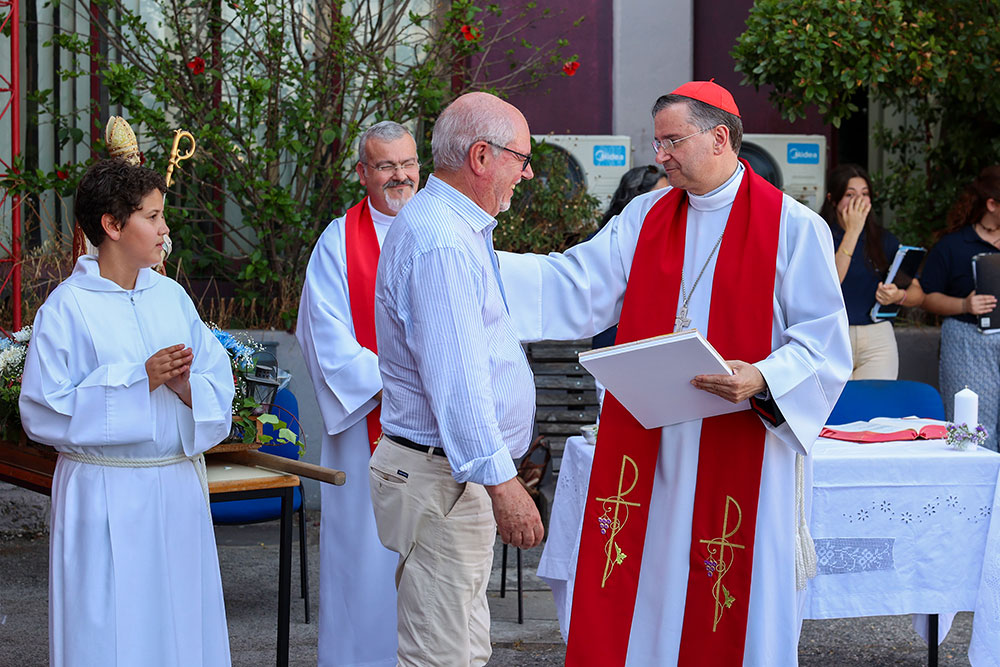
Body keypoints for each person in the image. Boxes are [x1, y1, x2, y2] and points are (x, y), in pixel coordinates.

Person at [499, 81, 851, 665]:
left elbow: (823, 344)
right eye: (657, 141)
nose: (659, 155)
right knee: (650, 579)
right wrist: (475, 259)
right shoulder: (646, 214)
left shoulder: (793, 227)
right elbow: (576, 284)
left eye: (672, 141)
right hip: (652, 442)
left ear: (720, 138)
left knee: (729, 585)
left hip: (742, 440)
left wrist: (761, 376)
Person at [19, 159, 235, 667]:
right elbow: (42, 411)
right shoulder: (66, 309)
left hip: (174, 489)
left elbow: (217, 381)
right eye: (153, 216)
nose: (165, 230)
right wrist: (139, 380)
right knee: (109, 633)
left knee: (182, 627)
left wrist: (186, 388)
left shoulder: (173, 297)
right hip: (105, 492)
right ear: (112, 226)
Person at [369, 92, 544, 667]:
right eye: (521, 156)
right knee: (441, 655)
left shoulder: (454, 227)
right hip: (444, 474)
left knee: (462, 648)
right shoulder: (442, 238)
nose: (527, 171)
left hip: (448, 473)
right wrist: (502, 483)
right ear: (480, 156)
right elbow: (458, 383)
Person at [296, 120, 419, 667]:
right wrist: (409, 385)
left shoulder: (444, 227)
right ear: (362, 173)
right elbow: (326, 339)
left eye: (408, 163)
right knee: (363, 562)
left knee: (434, 566)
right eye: (386, 166)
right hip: (370, 426)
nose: (401, 176)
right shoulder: (338, 241)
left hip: (440, 432)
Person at [920, 165, 1000, 450]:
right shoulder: (953, 246)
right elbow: (927, 297)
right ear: (992, 204)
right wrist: (964, 303)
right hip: (968, 341)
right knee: (974, 429)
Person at [822, 163, 924, 379]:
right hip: (832, 336)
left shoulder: (884, 240)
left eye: (865, 194)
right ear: (833, 199)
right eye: (850, 194)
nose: (859, 201)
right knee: (837, 409)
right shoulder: (820, 234)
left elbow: (918, 293)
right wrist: (853, 231)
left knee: (877, 406)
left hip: (878, 338)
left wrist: (898, 296)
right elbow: (829, 283)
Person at [592, 165, 669, 352]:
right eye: (660, 197)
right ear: (639, 197)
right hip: (615, 343)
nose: (668, 204)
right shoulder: (603, 241)